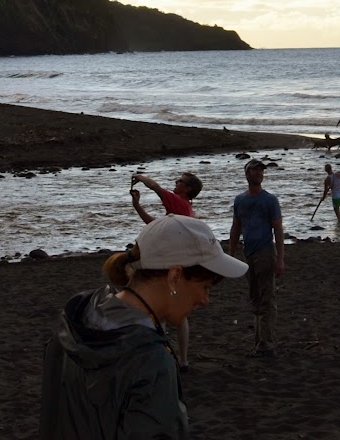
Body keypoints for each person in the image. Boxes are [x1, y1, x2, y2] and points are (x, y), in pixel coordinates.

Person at [40, 215, 248, 440]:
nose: (206, 300)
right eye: (206, 287)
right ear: (175, 276)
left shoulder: (74, 320)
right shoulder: (151, 361)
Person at [130, 171, 205, 372]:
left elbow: (156, 189)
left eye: (179, 181)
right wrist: (137, 206)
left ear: (187, 189)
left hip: (172, 264)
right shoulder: (184, 209)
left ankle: (169, 359)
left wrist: (141, 177)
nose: (175, 182)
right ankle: (182, 361)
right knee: (178, 313)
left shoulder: (178, 203)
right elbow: (154, 225)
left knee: (164, 312)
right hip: (180, 263)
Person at [229, 158, 285, 357]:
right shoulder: (240, 200)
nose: (259, 173)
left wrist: (280, 259)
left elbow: (278, 229)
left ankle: (266, 344)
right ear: (247, 174)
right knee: (255, 298)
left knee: (267, 298)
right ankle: (259, 342)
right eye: (255, 170)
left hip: (265, 252)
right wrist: (231, 253)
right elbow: (236, 227)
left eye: (261, 171)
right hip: (248, 254)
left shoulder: (270, 200)